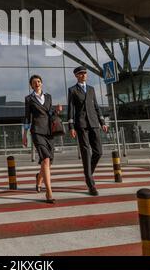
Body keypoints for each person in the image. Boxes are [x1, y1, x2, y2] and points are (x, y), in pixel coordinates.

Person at [67, 66, 108, 196]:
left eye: (85, 73)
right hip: (81, 125)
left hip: (94, 123)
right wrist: (71, 127)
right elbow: (71, 110)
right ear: (76, 76)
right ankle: (91, 185)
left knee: (99, 152)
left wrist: (102, 122)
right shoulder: (72, 90)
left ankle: (88, 174)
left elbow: (96, 106)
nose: (84, 75)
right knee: (86, 152)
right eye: (81, 73)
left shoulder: (91, 89)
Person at [23, 74, 61, 204]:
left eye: (39, 81)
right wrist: (25, 134)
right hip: (37, 131)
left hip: (49, 131)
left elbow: (49, 113)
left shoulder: (48, 97)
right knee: (45, 158)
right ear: (31, 86)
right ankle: (48, 192)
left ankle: (39, 177)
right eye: (34, 82)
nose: (37, 84)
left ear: (41, 83)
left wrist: (56, 111)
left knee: (49, 161)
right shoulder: (29, 99)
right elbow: (27, 117)